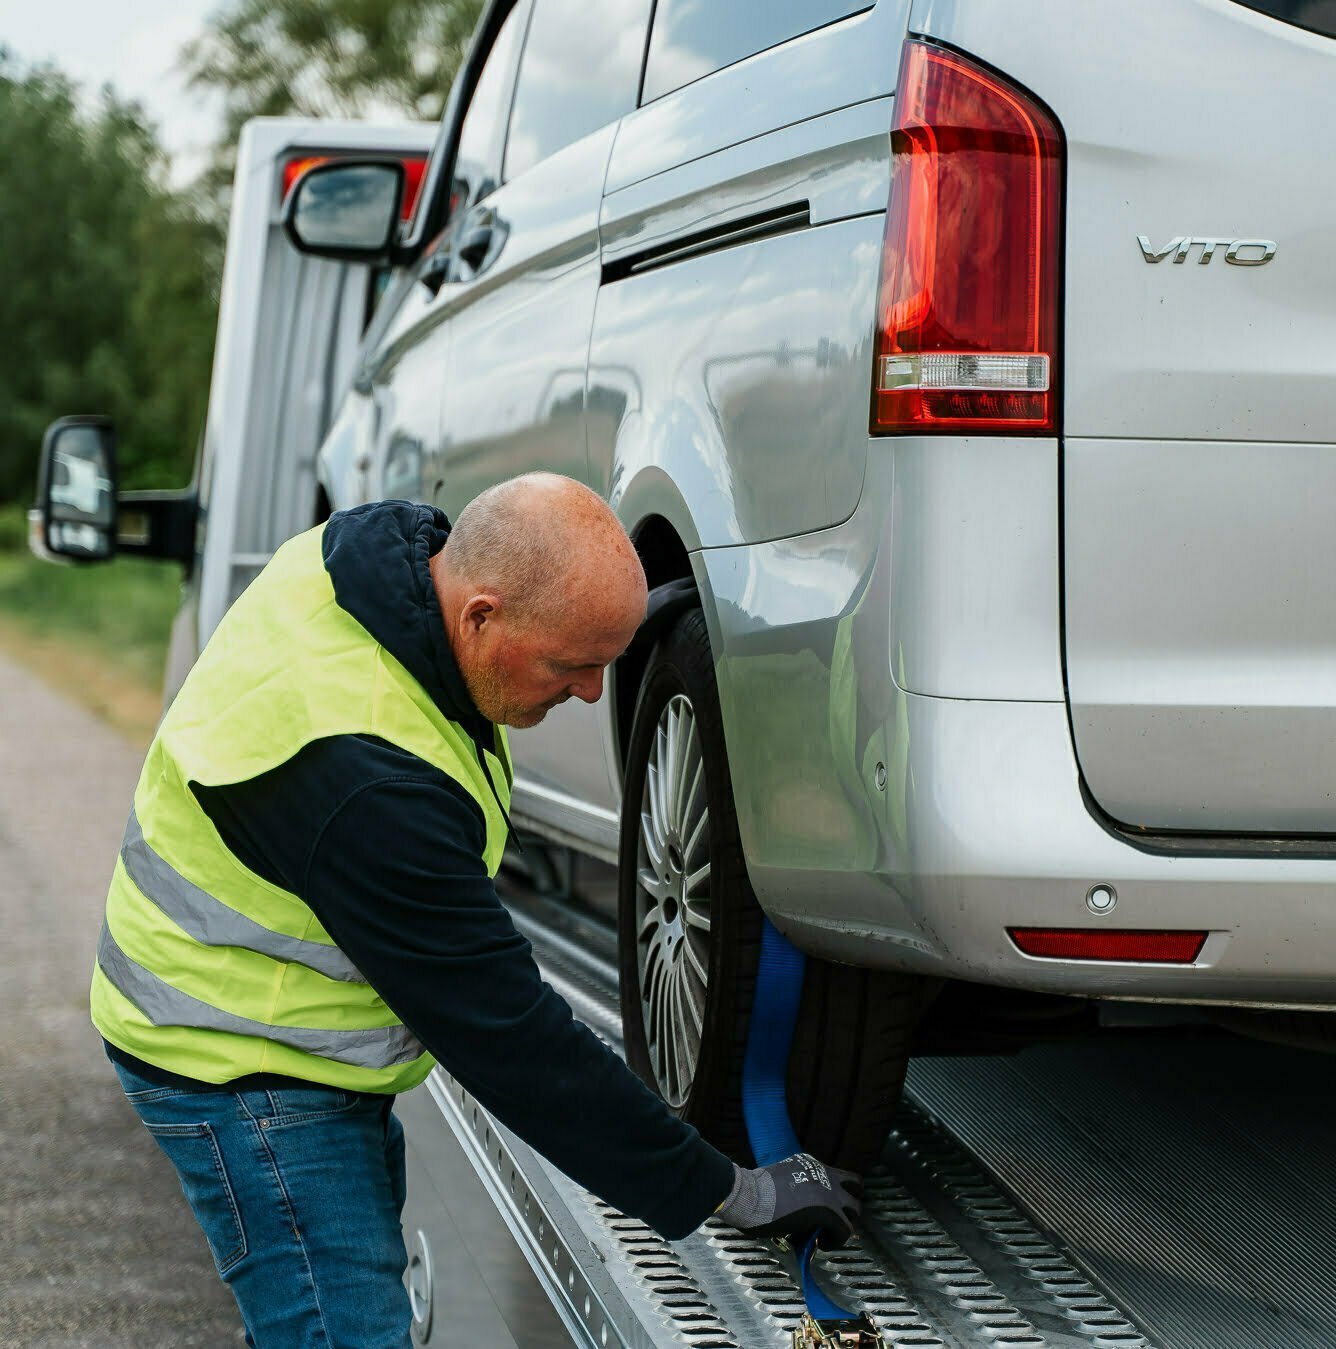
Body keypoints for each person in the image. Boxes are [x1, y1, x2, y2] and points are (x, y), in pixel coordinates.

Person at [94, 475, 860, 1347]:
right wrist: (732, 1190)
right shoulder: (370, 785)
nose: (586, 695)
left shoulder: (377, 560)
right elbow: (519, 1048)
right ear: (482, 616)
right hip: (243, 1065)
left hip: (277, 1021)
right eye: (572, 665)